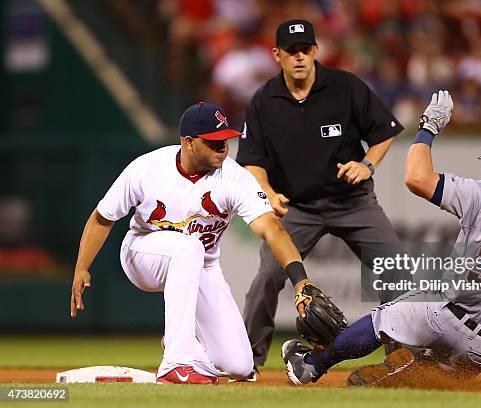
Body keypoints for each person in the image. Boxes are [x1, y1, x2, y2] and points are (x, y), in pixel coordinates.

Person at [281, 90, 481, 386]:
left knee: (385, 318)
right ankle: (397, 377)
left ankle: (311, 364)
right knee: (420, 380)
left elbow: (416, 177)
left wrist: (429, 126)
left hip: (446, 318)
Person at [70, 102, 320, 384]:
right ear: (188, 143)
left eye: (225, 140)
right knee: (188, 247)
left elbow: (271, 229)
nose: (223, 148)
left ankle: (183, 345)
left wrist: (300, 281)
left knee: (239, 364)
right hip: (142, 253)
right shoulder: (147, 168)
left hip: (202, 266)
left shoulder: (235, 177)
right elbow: (102, 218)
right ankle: (175, 363)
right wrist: (82, 267)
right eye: (213, 142)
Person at [235, 19, 404, 377]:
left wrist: (368, 165)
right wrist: (267, 192)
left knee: (396, 272)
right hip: (298, 209)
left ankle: (402, 357)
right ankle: (246, 361)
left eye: (305, 49)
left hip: (353, 202)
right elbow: (251, 160)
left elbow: (385, 130)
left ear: (315, 51)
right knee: (267, 277)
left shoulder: (344, 87)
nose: (299, 57)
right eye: (290, 51)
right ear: (277, 55)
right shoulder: (265, 101)